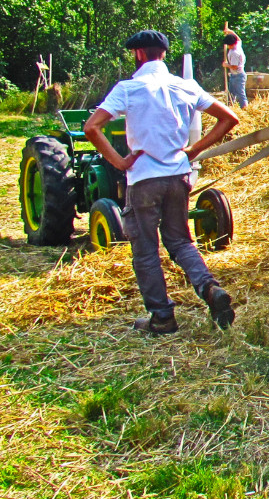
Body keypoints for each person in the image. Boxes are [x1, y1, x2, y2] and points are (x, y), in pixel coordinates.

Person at [84, 30, 240, 335]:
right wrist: (194, 150)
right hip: (178, 176)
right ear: (164, 54)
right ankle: (210, 289)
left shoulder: (128, 88)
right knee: (180, 242)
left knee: (145, 250)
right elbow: (229, 118)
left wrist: (119, 162)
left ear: (139, 54)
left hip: (144, 180)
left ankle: (162, 317)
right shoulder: (185, 85)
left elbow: (92, 127)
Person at [222, 27, 248, 109]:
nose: (228, 46)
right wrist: (231, 31)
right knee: (231, 94)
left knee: (240, 94)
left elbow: (234, 67)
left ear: (232, 44)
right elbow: (239, 39)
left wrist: (226, 65)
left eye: (229, 45)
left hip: (238, 76)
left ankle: (245, 108)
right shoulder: (237, 45)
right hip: (234, 75)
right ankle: (230, 108)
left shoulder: (234, 53)